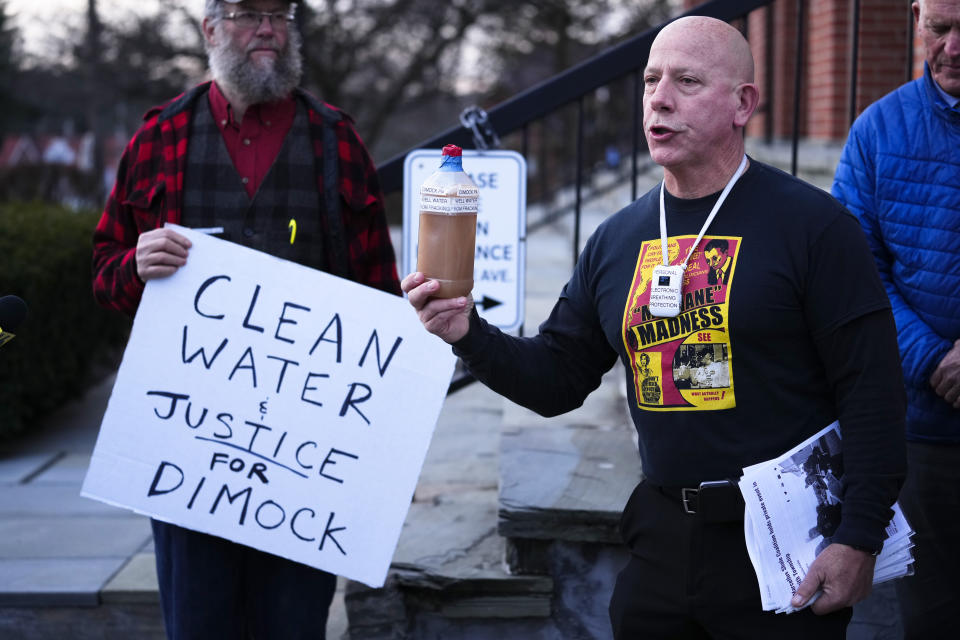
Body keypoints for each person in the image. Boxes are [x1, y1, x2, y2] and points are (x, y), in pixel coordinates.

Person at [404, 15, 906, 639]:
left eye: (687, 81)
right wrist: (468, 335)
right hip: (661, 541)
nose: (660, 98)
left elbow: (874, 392)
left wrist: (859, 537)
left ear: (743, 103)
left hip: (784, 548)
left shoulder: (814, 227)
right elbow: (558, 378)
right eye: (650, 80)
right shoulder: (618, 239)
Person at [91, 0, 400, 637]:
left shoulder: (336, 139)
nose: (266, 27)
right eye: (244, 11)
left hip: (306, 462)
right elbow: (104, 275)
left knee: (293, 626)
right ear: (209, 30)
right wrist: (135, 265)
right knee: (200, 625)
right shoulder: (159, 137)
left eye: (279, 12)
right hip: (187, 456)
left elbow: (380, 297)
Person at [831, 0, 960, 635]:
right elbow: (854, 276)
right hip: (927, 428)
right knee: (934, 616)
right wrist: (933, 357)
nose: (955, 47)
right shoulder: (878, 131)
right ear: (916, 21)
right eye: (941, 28)